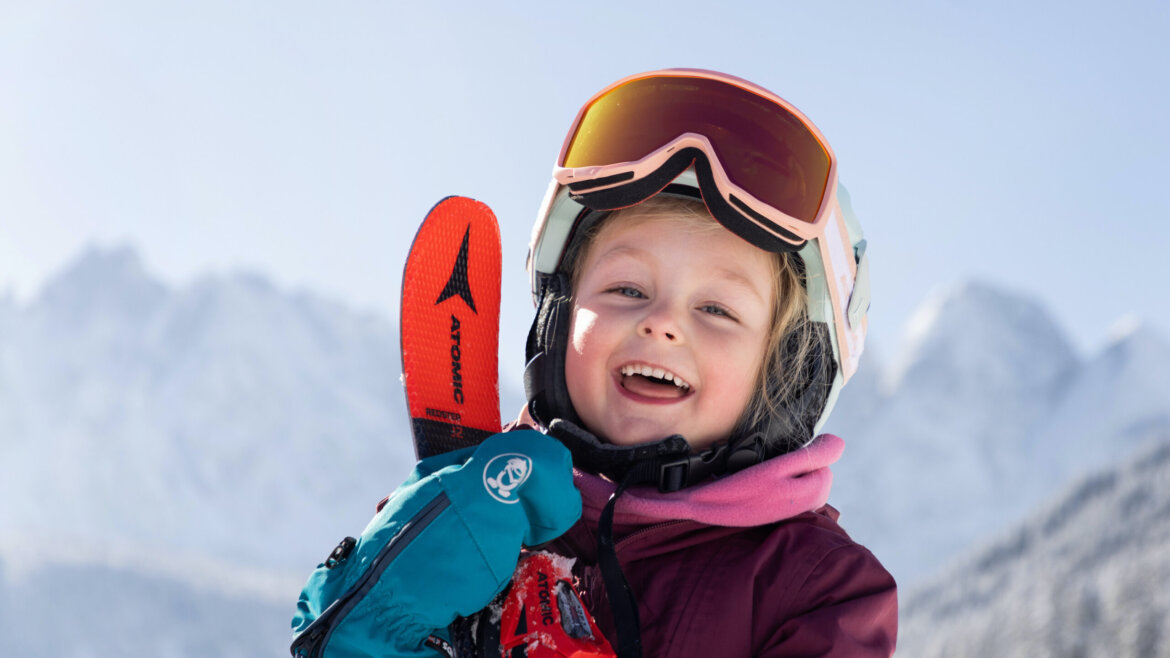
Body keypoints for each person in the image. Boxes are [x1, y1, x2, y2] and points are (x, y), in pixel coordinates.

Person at [291, 68, 896, 658]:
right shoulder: (476, 515)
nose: (661, 322)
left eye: (716, 308)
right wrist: (373, 625)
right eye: (627, 290)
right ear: (559, 317)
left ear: (787, 373)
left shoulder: (822, 593)